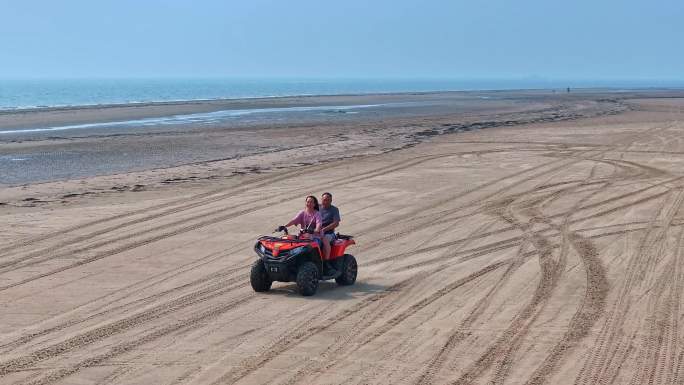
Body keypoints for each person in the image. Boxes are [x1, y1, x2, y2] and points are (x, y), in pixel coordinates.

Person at [319, 192, 341, 260]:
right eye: (324, 200)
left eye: (328, 200)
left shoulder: (334, 210)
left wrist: (324, 230)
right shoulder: (317, 207)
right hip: (315, 232)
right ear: (321, 200)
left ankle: (326, 261)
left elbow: (336, 223)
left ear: (331, 201)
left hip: (329, 233)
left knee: (325, 240)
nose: (325, 202)